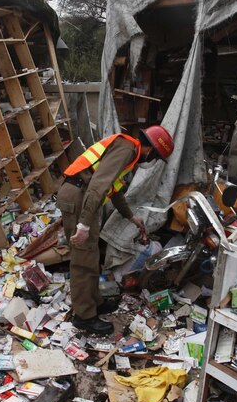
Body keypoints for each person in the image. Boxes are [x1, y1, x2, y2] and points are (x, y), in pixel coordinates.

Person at [58, 126, 174, 335]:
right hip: (80, 198)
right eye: (155, 158)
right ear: (151, 152)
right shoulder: (127, 149)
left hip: (82, 197)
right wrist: (83, 225)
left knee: (91, 257)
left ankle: (94, 303)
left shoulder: (127, 150)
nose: (151, 162)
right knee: (83, 261)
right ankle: (84, 317)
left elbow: (115, 189)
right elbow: (98, 186)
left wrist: (131, 217)